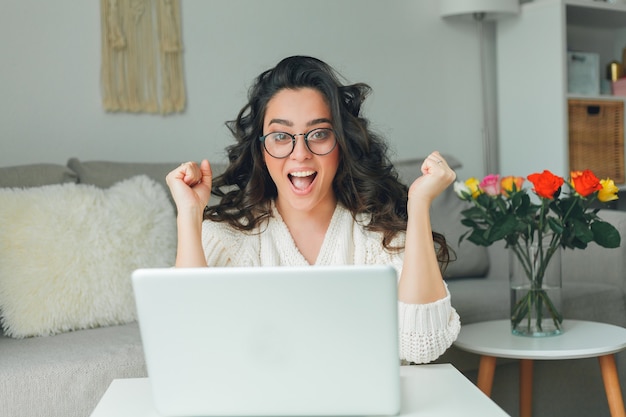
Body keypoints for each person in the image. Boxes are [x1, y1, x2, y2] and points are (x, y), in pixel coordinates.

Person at [166, 55, 460, 364]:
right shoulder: (225, 239)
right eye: (281, 136)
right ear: (261, 149)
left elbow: (421, 346)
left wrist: (419, 205)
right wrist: (188, 215)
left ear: (341, 144)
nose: (300, 154)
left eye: (318, 134)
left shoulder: (379, 237)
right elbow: (188, 346)